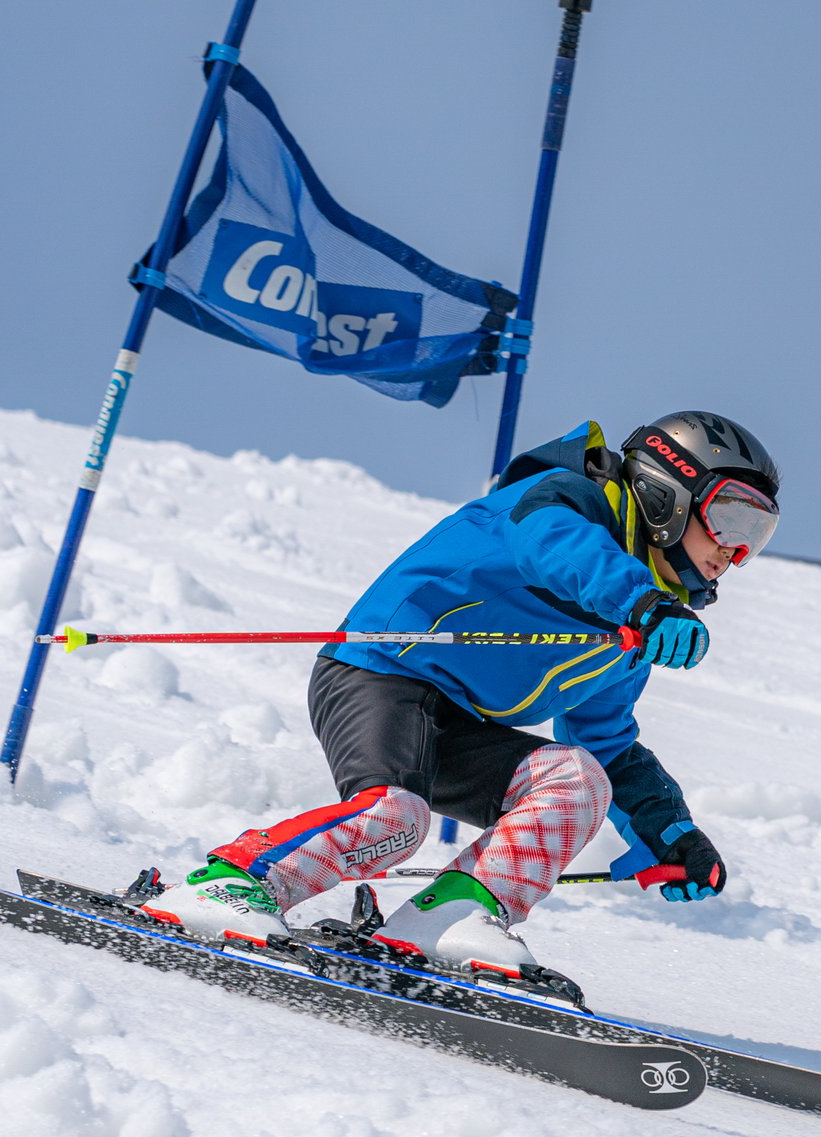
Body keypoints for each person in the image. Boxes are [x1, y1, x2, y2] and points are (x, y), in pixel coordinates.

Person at [139, 411, 780, 984]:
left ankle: (445, 921)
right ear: (667, 494)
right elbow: (552, 547)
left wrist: (670, 831)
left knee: (577, 779)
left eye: (760, 532)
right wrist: (643, 601)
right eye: (732, 517)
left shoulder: (632, 631)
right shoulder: (567, 503)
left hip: (461, 726)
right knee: (393, 817)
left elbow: (606, 741)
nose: (738, 548)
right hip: (381, 673)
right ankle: (230, 884)